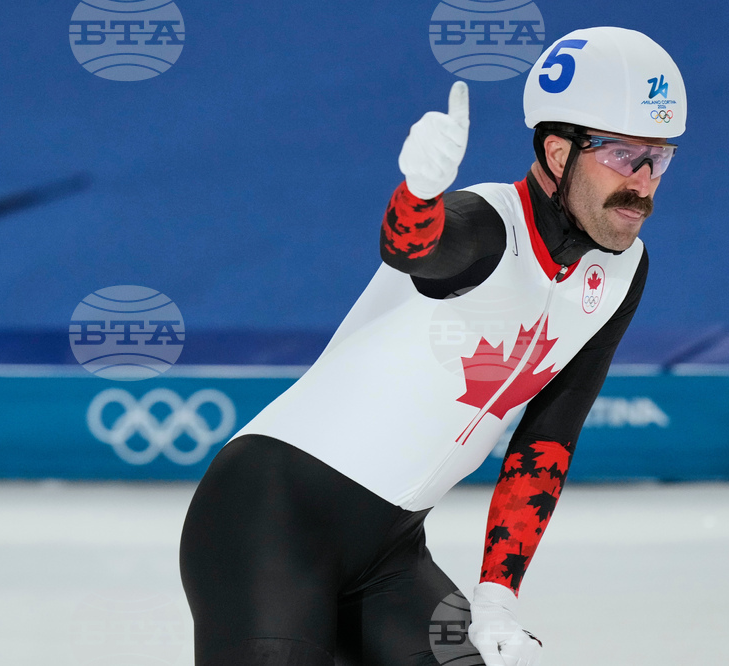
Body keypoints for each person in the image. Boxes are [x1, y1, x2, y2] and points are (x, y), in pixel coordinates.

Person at [179, 26, 687, 666]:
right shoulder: (485, 226)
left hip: (389, 555)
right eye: (623, 156)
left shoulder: (621, 273)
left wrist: (497, 596)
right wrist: (418, 196)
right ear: (559, 154)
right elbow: (412, 247)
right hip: (269, 519)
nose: (642, 183)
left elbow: (547, 440)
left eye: (659, 158)